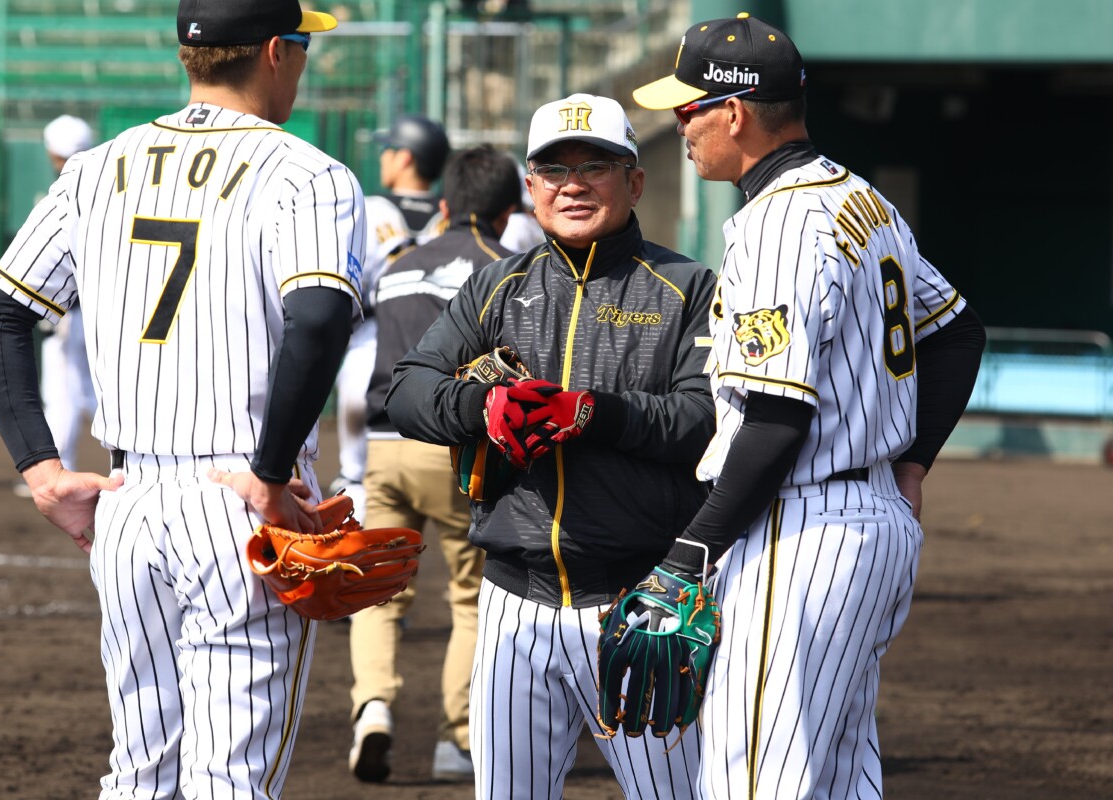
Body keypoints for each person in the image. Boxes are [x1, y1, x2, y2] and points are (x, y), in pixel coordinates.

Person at [0, 1, 366, 797]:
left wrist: (44, 475)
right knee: (229, 780)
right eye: (300, 43)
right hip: (240, 498)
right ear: (275, 54)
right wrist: (272, 468)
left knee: (141, 773)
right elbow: (318, 318)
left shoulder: (94, 167)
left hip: (128, 501)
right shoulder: (308, 172)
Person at [628, 13, 987, 799]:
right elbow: (959, 330)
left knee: (753, 780)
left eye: (688, 110)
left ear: (734, 112)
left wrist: (688, 551)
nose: (679, 127)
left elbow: (778, 417)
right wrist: (913, 463)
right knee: (837, 775)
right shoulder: (865, 202)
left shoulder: (777, 222)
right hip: (870, 530)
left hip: (801, 533)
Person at [384, 93, 718, 799]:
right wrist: (484, 404)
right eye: (553, 169)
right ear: (530, 188)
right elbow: (403, 389)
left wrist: (592, 414)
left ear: (634, 180)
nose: (573, 184)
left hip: (638, 600)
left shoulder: (687, 287)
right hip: (514, 599)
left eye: (595, 165)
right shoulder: (497, 285)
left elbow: (703, 419)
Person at [347, 144, 522, 784]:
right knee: (470, 597)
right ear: (507, 214)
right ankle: (460, 736)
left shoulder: (397, 264)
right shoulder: (506, 266)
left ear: (446, 204)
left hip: (383, 448)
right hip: (456, 448)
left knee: (379, 593)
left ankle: (372, 708)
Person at [330, 113, 451, 521]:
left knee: (356, 469)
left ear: (405, 158)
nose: (383, 156)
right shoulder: (453, 212)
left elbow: (348, 288)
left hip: (376, 338)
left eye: (388, 149)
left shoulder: (369, 207)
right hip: (444, 345)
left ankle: (354, 485)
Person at [39, 115, 98, 472]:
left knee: (63, 396)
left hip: (66, 314)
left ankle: (61, 469)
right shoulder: (108, 187)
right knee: (89, 393)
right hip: (100, 316)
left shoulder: (61, 194)